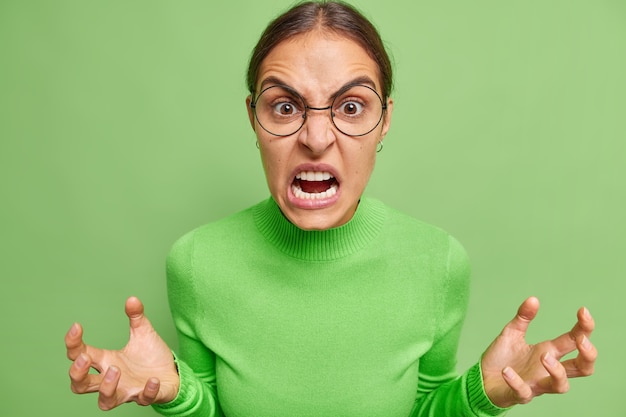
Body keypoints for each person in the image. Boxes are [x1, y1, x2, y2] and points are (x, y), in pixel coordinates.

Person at [65, 1, 597, 416]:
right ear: (254, 118)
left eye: (350, 106)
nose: (317, 138)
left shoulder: (438, 261)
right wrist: (174, 392)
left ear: (384, 120)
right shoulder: (197, 261)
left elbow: (425, 411)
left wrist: (485, 393)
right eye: (285, 106)